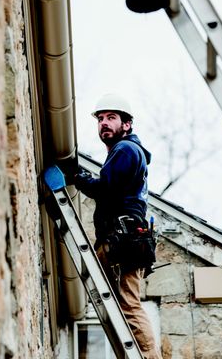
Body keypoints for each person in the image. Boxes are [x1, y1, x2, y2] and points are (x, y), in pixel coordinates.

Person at [72, 94, 161, 359]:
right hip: (125, 239)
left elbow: (106, 189)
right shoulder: (126, 152)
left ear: (127, 124)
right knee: (119, 305)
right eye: (100, 119)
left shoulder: (125, 150)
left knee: (127, 303)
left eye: (111, 117)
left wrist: (78, 177)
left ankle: (150, 357)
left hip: (123, 240)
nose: (104, 123)